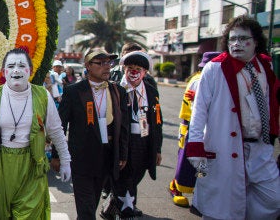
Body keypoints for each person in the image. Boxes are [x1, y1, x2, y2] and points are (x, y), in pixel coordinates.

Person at [186, 15, 280, 219]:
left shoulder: (265, 67)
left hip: (259, 148)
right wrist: (195, 143)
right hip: (223, 149)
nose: (236, 44)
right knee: (217, 206)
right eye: (232, 39)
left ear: (256, 42)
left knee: (272, 200)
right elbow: (199, 109)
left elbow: (273, 105)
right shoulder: (215, 68)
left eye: (243, 38)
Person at [0, 48, 71, 219]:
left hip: (32, 166)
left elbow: (56, 131)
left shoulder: (42, 96)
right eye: (11, 66)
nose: (16, 70)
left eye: (21, 65)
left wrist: (65, 161)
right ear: (4, 72)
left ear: (30, 71)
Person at [54, 49, 128, 220]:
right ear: (87, 66)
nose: (106, 67)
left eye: (108, 63)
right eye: (100, 63)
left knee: (91, 204)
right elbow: (60, 125)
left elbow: (123, 127)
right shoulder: (74, 91)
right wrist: (58, 156)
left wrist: (122, 154)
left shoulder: (118, 92)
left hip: (108, 156)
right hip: (82, 158)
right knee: (87, 210)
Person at [104, 50, 163, 218]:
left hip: (143, 142)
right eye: (130, 67)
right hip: (122, 142)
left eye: (139, 68)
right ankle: (125, 208)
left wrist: (157, 149)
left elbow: (157, 121)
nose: (134, 72)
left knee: (136, 175)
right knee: (123, 177)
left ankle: (119, 204)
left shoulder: (151, 91)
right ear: (124, 69)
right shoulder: (114, 89)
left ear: (145, 72)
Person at [168, 51, 220, 207]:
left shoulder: (214, 80)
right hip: (194, 130)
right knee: (189, 163)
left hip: (209, 130)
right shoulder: (199, 80)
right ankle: (176, 188)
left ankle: (201, 191)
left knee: (205, 165)